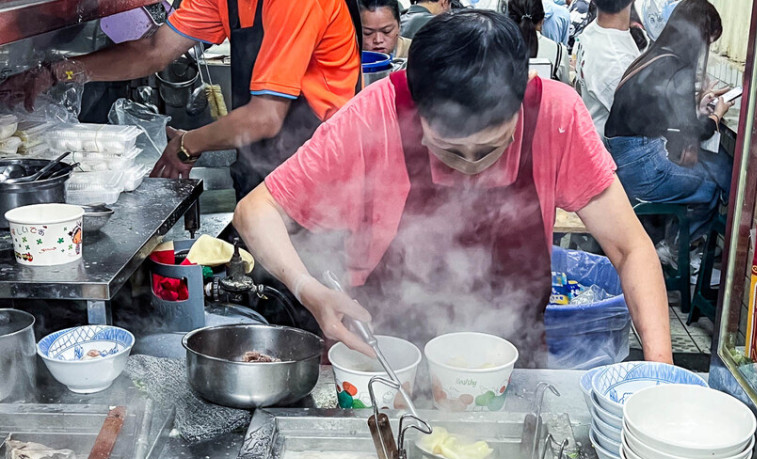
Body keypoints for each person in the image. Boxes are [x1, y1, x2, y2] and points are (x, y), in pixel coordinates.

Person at [232, 10, 672, 368]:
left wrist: (660, 374)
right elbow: (256, 211)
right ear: (417, 108)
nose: (471, 165)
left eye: (490, 149)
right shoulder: (375, 115)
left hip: (511, 365)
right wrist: (310, 291)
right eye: (449, 150)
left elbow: (631, 249)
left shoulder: (557, 115)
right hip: (387, 362)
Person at [0, 0, 361, 199]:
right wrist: (54, 73)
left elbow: (265, 116)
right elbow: (153, 52)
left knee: (314, 297)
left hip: (324, 172)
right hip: (263, 167)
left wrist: (188, 145)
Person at [605, 0, 732, 242]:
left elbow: (665, 116)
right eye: (708, 41)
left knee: (708, 170)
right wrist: (717, 114)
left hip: (622, 159)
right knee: (711, 186)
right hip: (642, 166)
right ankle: (677, 250)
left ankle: (673, 242)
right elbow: (695, 131)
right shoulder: (677, 66)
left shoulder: (655, 55)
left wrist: (698, 105)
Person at [574, 0, 640, 137]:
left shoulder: (593, 29)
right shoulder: (616, 62)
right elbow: (636, 124)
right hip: (611, 146)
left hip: (591, 131)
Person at [508, 0, 570, 82]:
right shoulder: (559, 52)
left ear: (510, 19)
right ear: (542, 21)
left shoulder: (497, 49)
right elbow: (565, 87)